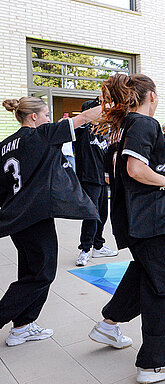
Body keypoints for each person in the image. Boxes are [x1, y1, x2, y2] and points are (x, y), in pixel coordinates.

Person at [90, 74, 165, 383]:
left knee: (145, 271)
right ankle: (153, 364)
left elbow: (111, 176)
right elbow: (135, 169)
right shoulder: (144, 124)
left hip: (131, 220)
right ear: (152, 97)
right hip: (150, 221)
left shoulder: (121, 129)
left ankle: (109, 323)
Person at [0, 96, 100, 346]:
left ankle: (22, 327)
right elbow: (85, 117)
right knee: (42, 274)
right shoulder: (41, 135)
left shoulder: (4, 145)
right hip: (34, 216)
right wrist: (117, 104)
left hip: (15, 217)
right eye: (46, 114)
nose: (49, 119)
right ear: (33, 117)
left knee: (30, 270)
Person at [74, 98, 119, 267]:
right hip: (88, 179)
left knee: (102, 214)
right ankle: (85, 249)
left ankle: (98, 246)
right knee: (91, 215)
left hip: (102, 179)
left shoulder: (101, 132)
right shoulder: (81, 130)